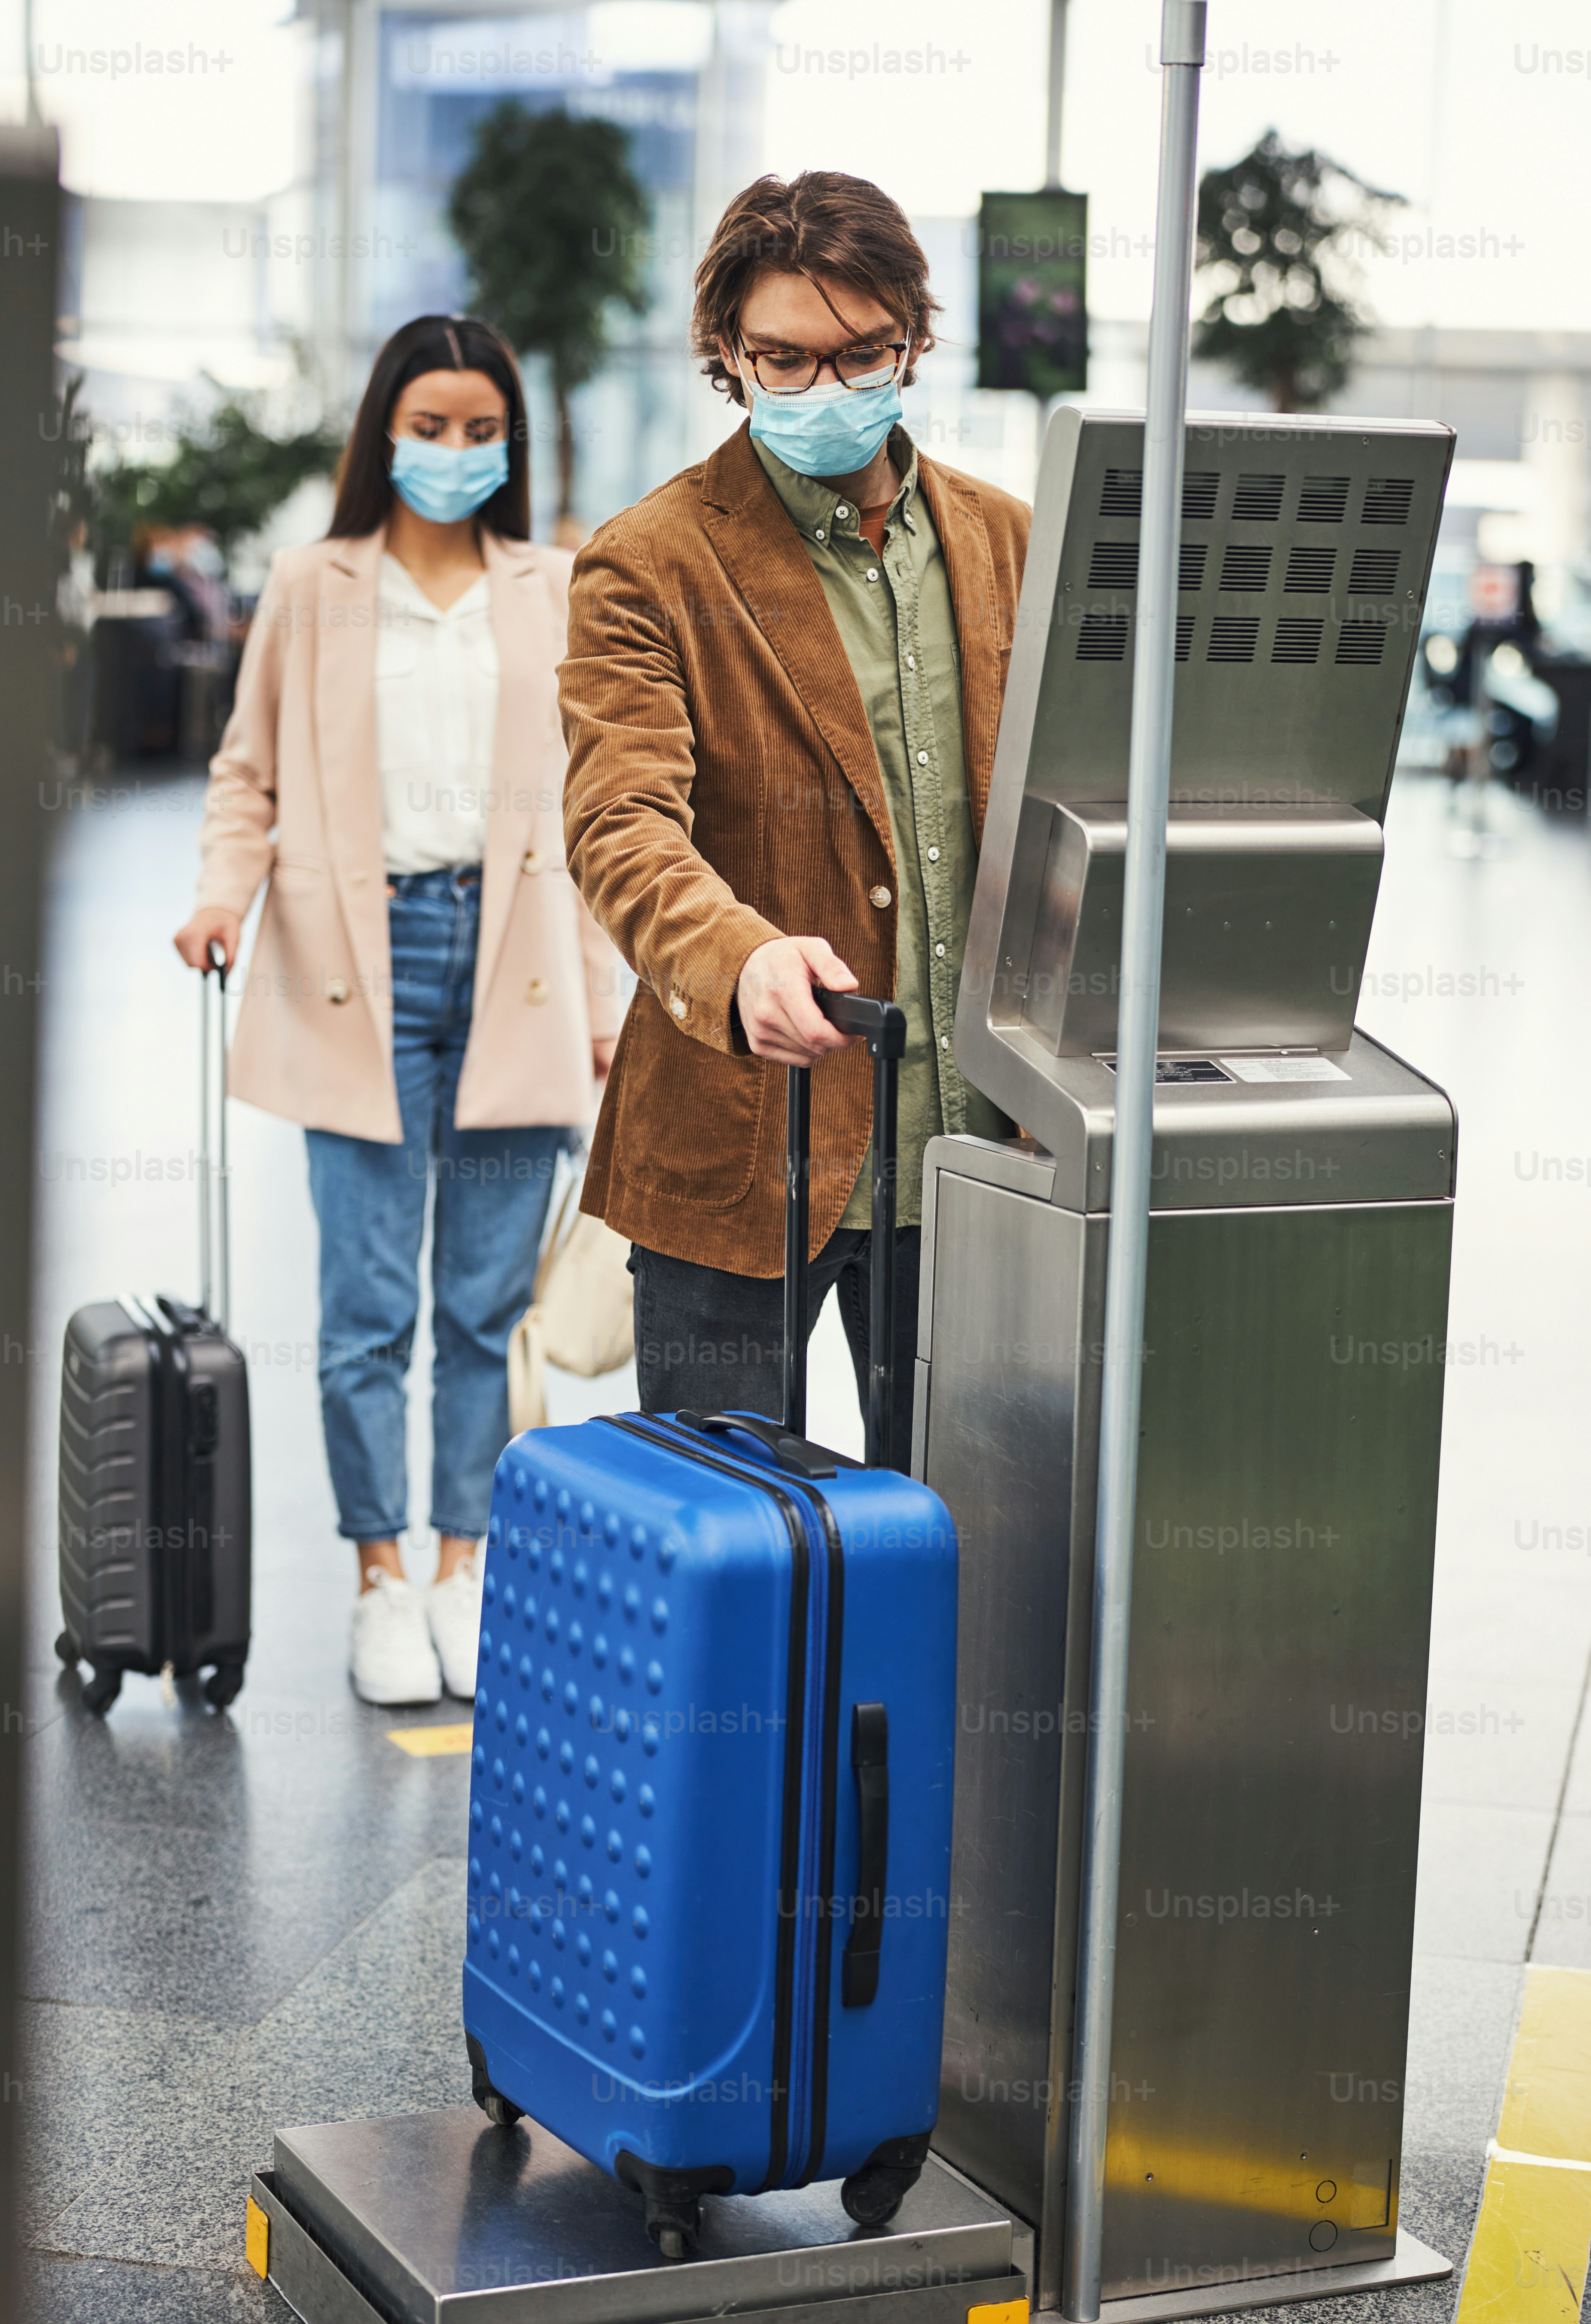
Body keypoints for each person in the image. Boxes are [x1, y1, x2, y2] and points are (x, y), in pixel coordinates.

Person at [174, 315, 622, 1705]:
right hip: (350, 963)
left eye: (480, 429)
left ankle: (464, 1568)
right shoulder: (315, 587)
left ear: (512, 442)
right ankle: (380, 1576)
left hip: (520, 967)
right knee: (367, 1308)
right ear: (382, 433)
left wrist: (613, 996)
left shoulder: (555, 586)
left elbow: (608, 812)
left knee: (486, 1311)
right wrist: (219, 902)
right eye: (427, 425)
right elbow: (248, 774)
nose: (453, 451)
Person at [560, 172, 1029, 1467]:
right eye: (784, 358)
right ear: (728, 353)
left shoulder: (1008, 544)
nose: (826, 388)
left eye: (862, 354)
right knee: (733, 1563)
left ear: (915, 343)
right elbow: (620, 821)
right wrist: (737, 955)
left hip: (975, 1159)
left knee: (955, 1549)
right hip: (739, 1147)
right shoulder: (650, 561)